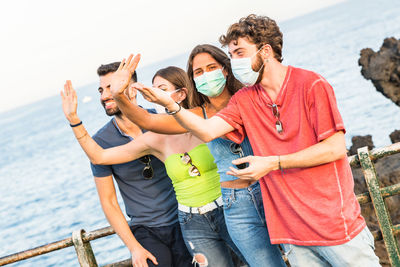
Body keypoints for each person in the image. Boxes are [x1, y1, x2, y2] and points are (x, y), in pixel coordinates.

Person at [137, 15, 381, 267]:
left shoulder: (311, 84)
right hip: (292, 232)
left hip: (334, 224)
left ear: (265, 51)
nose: (234, 63)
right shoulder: (244, 99)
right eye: (231, 56)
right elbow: (208, 131)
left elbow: (335, 147)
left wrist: (273, 163)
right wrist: (169, 104)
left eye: (240, 53)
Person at [112, 45, 285, 267]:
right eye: (198, 72)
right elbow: (147, 120)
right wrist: (119, 95)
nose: (206, 75)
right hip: (236, 204)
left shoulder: (250, 98)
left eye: (212, 67)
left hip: (272, 191)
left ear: (225, 69)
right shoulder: (197, 115)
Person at [61, 61, 243, 267]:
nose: (104, 96)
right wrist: (74, 120)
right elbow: (105, 188)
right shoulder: (107, 141)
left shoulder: (163, 120)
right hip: (153, 229)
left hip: (197, 217)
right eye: (101, 90)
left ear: (132, 88)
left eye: (111, 88)